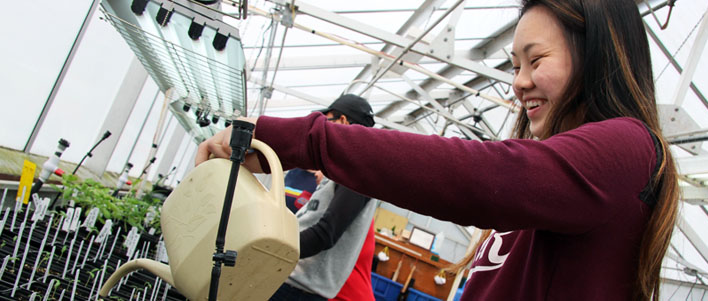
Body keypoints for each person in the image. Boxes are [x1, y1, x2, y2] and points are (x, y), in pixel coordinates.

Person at [196, 0, 679, 300]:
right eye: (514, 65)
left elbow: (476, 177)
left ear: (597, 55)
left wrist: (306, 140)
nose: (519, 82)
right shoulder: (563, 179)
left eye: (536, 60)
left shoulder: (629, 148)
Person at [267, 94, 378, 301]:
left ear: (343, 121)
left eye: (328, 122)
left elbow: (326, 233)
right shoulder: (340, 170)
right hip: (290, 276)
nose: (322, 131)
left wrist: (272, 249)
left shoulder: (359, 171)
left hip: (299, 287)